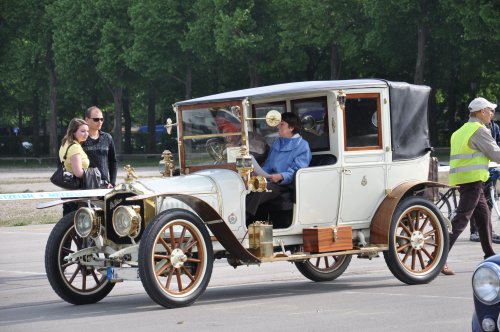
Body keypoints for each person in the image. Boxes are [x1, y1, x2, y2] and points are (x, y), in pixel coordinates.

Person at [443, 97, 499, 276]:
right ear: (481, 112)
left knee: (484, 218)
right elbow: (494, 153)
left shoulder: (459, 131)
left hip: (466, 180)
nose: (492, 113)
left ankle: (490, 256)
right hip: (473, 182)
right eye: (490, 110)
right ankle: (439, 259)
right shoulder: (479, 130)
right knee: (461, 220)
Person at [246, 112, 312, 222]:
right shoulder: (278, 142)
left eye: (281, 124)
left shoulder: (302, 145)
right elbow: (268, 165)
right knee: (248, 186)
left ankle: (243, 218)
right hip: (271, 180)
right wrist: (258, 173)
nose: (278, 127)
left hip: (285, 185)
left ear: (291, 127)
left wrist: (281, 176)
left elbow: (298, 170)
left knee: (260, 189)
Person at [470, 112, 500, 243]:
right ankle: (474, 231)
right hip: (478, 169)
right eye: (490, 111)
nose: (492, 114)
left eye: (493, 112)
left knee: (489, 201)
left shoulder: (495, 128)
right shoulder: (477, 128)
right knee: (474, 203)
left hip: (490, 168)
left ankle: (488, 230)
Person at [60, 118, 90, 215]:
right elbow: (78, 173)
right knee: (77, 225)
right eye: (82, 131)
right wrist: (94, 174)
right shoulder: (75, 147)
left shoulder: (65, 143)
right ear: (73, 132)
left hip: (67, 189)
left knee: (67, 224)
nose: (86, 134)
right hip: (76, 192)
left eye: (87, 131)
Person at [83, 106, 117, 188]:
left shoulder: (107, 137)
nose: (100, 122)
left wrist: (112, 182)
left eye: (102, 119)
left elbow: (113, 161)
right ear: (86, 120)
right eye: (96, 119)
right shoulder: (80, 139)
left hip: (105, 185)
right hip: (86, 185)